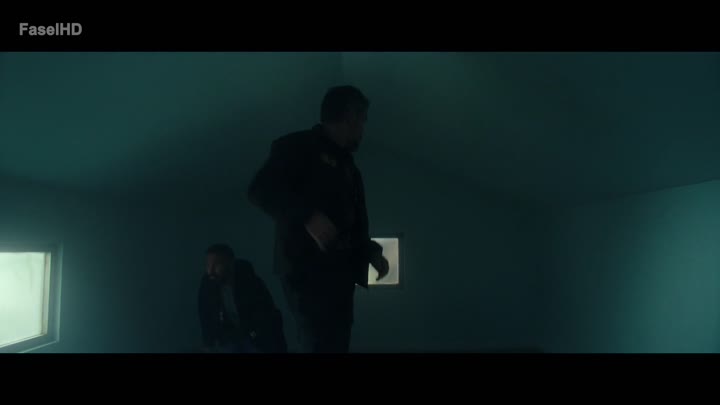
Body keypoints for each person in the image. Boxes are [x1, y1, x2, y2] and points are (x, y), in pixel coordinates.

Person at [247, 85, 389, 353]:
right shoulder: (297, 147)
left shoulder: (350, 168)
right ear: (350, 117)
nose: (363, 129)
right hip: (307, 272)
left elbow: (355, 224)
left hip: (341, 274)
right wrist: (308, 216)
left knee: (337, 343)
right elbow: (260, 189)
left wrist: (372, 253)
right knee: (319, 342)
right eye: (362, 120)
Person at [197, 243, 287, 353]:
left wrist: (253, 335)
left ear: (230, 263)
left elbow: (265, 317)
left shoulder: (251, 283)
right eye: (208, 265)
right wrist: (209, 343)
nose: (210, 271)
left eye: (217, 265)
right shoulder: (208, 284)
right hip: (229, 339)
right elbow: (205, 315)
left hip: (257, 340)